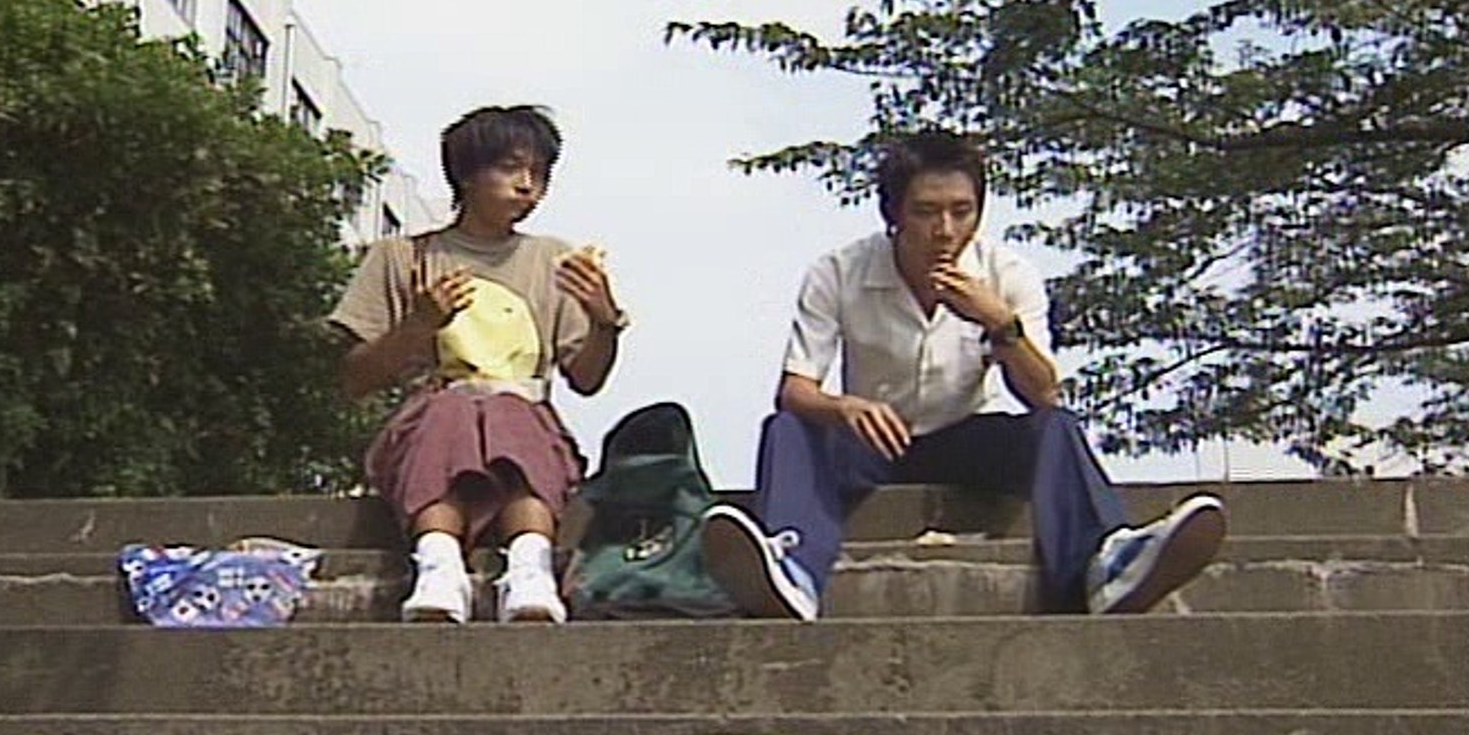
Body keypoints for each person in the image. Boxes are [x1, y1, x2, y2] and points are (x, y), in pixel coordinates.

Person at [702, 130, 1225, 622]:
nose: (945, 230)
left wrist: (999, 322)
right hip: (872, 440)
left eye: (961, 211)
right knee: (788, 429)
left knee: (1056, 426)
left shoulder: (1007, 274)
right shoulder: (838, 273)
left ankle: (1104, 564)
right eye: (926, 212)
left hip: (968, 438)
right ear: (894, 214)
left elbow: (1044, 393)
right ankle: (793, 566)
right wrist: (844, 407)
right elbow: (795, 390)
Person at [326, 105, 630, 624]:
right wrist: (419, 324)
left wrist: (605, 322)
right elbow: (355, 377)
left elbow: (586, 378)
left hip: (521, 418)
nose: (527, 185)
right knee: (450, 412)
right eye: (511, 168)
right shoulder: (403, 257)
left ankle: (530, 565)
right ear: (467, 174)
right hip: (432, 422)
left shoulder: (554, 261)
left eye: (539, 173)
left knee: (511, 411)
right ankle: (438, 563)